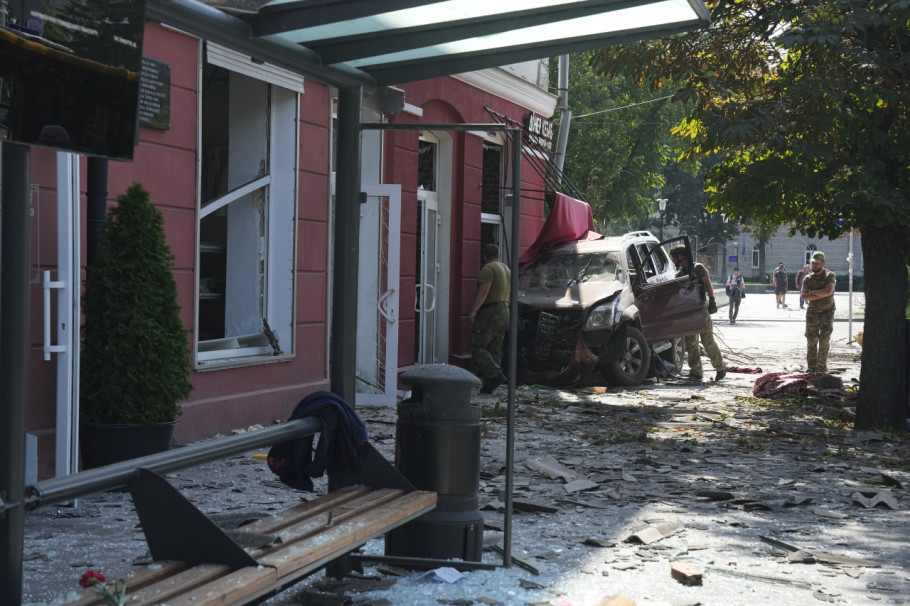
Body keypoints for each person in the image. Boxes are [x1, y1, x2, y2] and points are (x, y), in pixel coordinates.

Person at [670, 245, 727, 382]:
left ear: (681, 256)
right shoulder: (680, 273)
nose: (673, 260)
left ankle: (721, 368)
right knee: (691, 342)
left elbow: (707, 283)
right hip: (688, 311)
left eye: (674, 257)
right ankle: (696, 371)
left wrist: (712, 300)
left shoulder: (697, 268)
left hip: (700, 308)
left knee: (707, 340)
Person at [469, 243, 511, 394]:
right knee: (495, 346)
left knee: (478, 345)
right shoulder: (506, 269)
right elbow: (509, 294)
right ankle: (489, 384)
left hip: (490, 311)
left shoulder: (488, 269)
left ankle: (495, 375)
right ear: (498, 255)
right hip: (504, 309)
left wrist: (474, 310)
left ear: (484, 256)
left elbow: (484, 291)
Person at [800, 251, 836, 373]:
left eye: (817, 263)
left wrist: (812, 294)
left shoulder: (829, 275)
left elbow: (828, 292)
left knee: (824, 339)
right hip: (812, 312)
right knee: (811, 340)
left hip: (827, 311)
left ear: (823, 263)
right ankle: (812, 368)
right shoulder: (808, 278)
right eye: (813, 263)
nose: (814, 266)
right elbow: (803, 296)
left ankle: (821, 368)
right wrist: (821, 293)